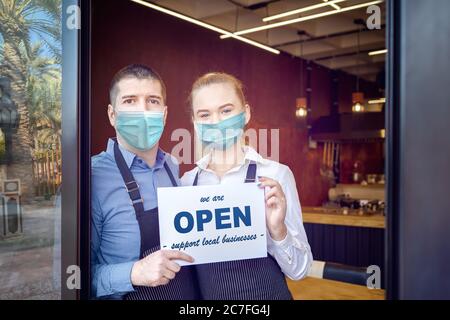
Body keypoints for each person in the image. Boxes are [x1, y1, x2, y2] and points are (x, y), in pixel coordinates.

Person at [181, 72, 313, 300]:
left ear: (246, 113)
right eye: (205, 114)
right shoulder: (186, 183)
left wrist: (278, 230)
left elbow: (300, 271)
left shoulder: (275, 175)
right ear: (194, 123)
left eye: (226, 110)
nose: (217, 121)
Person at [91, 64, 200, 299]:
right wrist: (134, 272)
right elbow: (71, 278)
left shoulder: (172, 166)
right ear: (112, 115)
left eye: (152, 100)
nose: (142, 110)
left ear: (164, 113)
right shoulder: (90, 179)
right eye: (130, 101)